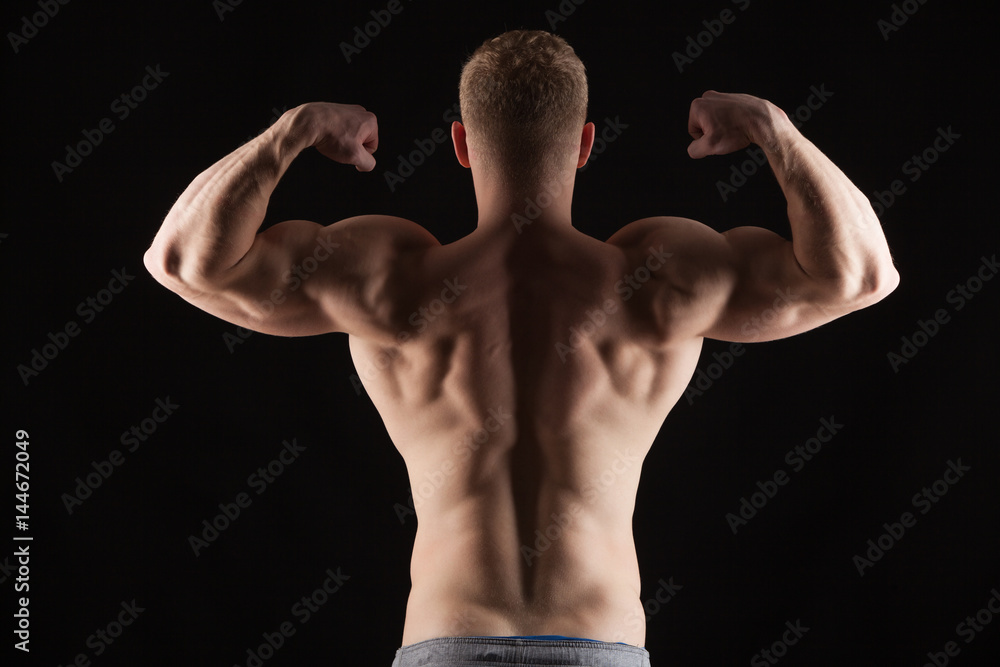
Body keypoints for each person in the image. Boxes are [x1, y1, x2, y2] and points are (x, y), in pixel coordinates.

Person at [144, 29, 899, 667]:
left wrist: (296, 130)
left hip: (447, 643)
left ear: (462, 145)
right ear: (586, 145)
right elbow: (860, 274)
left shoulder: (390, 276)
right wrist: (774, 128)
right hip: (599, 644)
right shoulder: (656, 275)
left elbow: (182, 262)